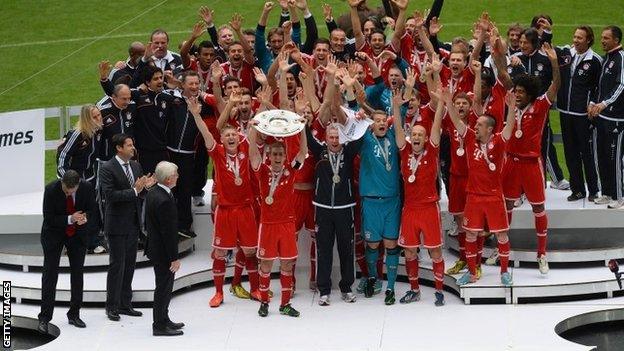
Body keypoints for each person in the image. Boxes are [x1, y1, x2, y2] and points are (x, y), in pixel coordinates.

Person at [438, 84, 516, 287]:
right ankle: (472, 273)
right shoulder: (471, 138)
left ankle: (505, 272)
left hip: (493, 196)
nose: (476, 127)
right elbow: (456, 121)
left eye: (480, 124)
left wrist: (512, 108)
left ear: (489, 129)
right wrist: (447, 101)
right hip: (473, 196)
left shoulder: (498, 142)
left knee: (501, 234)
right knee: (471, 233)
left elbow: (508, 128)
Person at [187, 97, 261, 307]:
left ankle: (255, 289)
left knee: (249, 251)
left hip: (245, 209)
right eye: (227, 135)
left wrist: (260, 108)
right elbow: (206, 133)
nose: (231, 137)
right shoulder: (217, 152)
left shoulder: (246, 150)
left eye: (234, 135)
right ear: (222, 138)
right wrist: (195, 114)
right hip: (226, 210)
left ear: (239, 138)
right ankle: (218, 293)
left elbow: (254, 131)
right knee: (220, 253)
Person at [500, 41, 561, 275]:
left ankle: (542, 254)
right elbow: (504, 75)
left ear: (530, 94)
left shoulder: (541, 106)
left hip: (530, 163)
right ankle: (502, 248)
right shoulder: (511, 104)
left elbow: (555, 84)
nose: (517, 95)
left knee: (538, 208)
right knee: (506, 206)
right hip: (511, 162)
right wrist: (496, 48)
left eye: (521, 93)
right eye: (516, 92)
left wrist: (554, 62)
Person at [248, 121, 307, 318]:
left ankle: (285, 304)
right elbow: (253, 154)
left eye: (281, 154)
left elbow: (302, 153)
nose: (278, 157)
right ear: (269, 156)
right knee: (265, 265)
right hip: (268, 225)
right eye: (274, 154)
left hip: (287, 224)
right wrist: (254, 128)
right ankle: (264, 302)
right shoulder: (262, 171)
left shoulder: (291, 171)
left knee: (287, 265)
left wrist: (302, 129)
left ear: (284, 156)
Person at [393, 90, 446, 306]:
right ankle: (414, 290)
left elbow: (435, 127)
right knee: (409, 251)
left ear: (426, 139)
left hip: (429, 208)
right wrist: (396, 107)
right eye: (413, 134)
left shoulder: (432, 151)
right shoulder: (405, 151)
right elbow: (397, 128)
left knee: (435, 251)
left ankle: (439, 291)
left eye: (420, 135)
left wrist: (441, 103)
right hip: (410, 209)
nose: (416, 137)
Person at [100, 133, 155, 321]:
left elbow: (139, 194)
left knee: (130, 265)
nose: (133, 148)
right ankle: (111, 306)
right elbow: (110, 196)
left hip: (133, 224)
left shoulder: (135, 165)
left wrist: (146, 187)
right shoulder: (107, 168)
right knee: (117, 265)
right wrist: (135, 190)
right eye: (129, 145)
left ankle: (125, 303)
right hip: (116, 225)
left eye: (132, 144)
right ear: (119, 148)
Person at [307, 122, 361, 306]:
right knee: (324, 250)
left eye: (338, 137)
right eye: (331, 137)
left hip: (345, 208)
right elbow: (306, 136)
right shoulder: (319, 152)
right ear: (326, 138)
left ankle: (346, 288)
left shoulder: (349, 151)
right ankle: (324, 290)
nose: (335, 140)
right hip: (322, 208)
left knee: (346, 250)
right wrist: (302, 119)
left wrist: (359, 117)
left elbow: (360, 136)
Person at [38, 170, 96, 334]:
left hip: (77, 236)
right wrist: (70, 218)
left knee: (77, 274)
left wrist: (85, 218)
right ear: (62, 182)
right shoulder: (51, 190)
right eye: (66, 189)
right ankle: (44, 317)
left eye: (72, 190)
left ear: (78, 185)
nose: (68, 192)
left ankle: (74, 314)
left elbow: (92, 210)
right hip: (54, 234)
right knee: (50, 274)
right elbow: (49, 218)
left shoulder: (86, 188)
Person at [555, 26, 602, 202]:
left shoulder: (596, 60)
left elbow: (599, 86)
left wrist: (591, 103)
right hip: (565, 112)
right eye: (575, 37)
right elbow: (547, 47)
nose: (575, 40)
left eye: (580, 38)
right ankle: (577, 190)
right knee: (570, 152)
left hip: (583, 115)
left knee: (587, 152)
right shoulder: (567, 54)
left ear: (588, 40)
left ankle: (594, 190)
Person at [56, 104, 105, 254]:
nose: (99, 119)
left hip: (89, 178)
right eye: (94, 117)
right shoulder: (78, 134)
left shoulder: (98, 131)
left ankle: (92, 242)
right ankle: (69, 243)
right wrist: (67, 178)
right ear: (87, 119)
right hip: (74, 182)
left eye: (99, 115)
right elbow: (63, 155)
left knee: (91, 210)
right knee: (73, 212)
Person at [145, 161, 184, 336]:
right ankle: (159, 325)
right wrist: (174, 258)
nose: (178, 177)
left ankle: (164, 318)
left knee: (164, 287)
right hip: (163, 253)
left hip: (156, 249)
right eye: (175, 174)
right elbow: (168, 233)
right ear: (169, 179)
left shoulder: (154, 192)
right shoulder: (164, 200)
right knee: (163, 288)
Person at [589, 25, 624, 208]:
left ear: (616, 40)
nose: (602, 41)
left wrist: (605, 103)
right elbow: (600, 86)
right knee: (602, 157)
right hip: (602, 118)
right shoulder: (606, 59)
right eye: (602, 37)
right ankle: (608, 193)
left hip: (616, 119)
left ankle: (620, 196)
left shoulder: (621, 58)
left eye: (606, 38)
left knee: (615, 158)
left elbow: (622, 85)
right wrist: (593, 102)